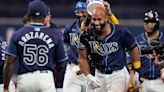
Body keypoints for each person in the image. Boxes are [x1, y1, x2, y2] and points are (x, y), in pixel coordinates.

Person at [3, 1, 68, 92]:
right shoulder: (55, 35)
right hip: (45, 77)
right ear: (45, 16)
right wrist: (53, 76)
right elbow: (61, 63)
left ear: (29, 15)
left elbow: (9, 62)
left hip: (25, 78)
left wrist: (6, 87)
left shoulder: (18, 34)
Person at [78, 6, 141, 92]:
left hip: (118, 74)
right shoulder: (87, 35)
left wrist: (136, 70)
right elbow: (82, 58)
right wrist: (88, 76)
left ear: (107, 18)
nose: (96, 23)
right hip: (98, 74)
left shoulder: (120, 31)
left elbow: (133, 48)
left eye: (99, 19)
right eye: (94, 19)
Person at [136, 10, 164, 92]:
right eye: (146, 22)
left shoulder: (163, 38)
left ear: (157, 23)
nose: (149, 24)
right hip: (143, 81)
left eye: (152, 22)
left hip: (161, 81)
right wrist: (133, 73)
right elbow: (132, 58)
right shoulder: (138, 40)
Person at [63, 1, 88, 92]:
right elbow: (65, 45)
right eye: (78, 12)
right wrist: (70, 57)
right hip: (74, 68)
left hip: (90, 69)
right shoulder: (70, 28)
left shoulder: (95, 27)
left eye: (83, 11)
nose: (80, 14)